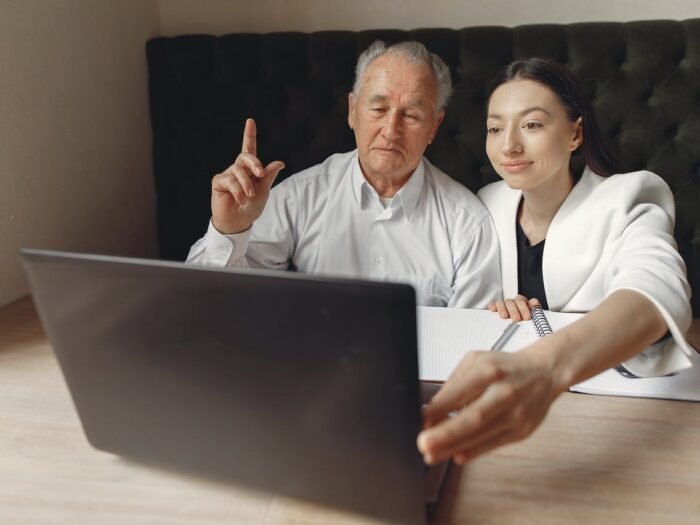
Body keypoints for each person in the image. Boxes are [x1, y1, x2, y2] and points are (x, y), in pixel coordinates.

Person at [418, 57, 694, 465]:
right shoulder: (486, 205)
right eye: (495, 128)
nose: (509, 145)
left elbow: (656, 288)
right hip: (507, 418)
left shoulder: (628, 197)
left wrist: (544, 368)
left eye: (531, 124)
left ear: (575, 133)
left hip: (618, 415)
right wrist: (497, 308)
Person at [187, 40, 501, 308]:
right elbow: (207, 303)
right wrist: (229, 229)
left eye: (412, 115)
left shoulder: (468, 223)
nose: (391, 131)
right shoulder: (301, 196)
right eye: (378, 109)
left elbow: (473, 348)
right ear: (352, 111)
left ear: (434, 126)